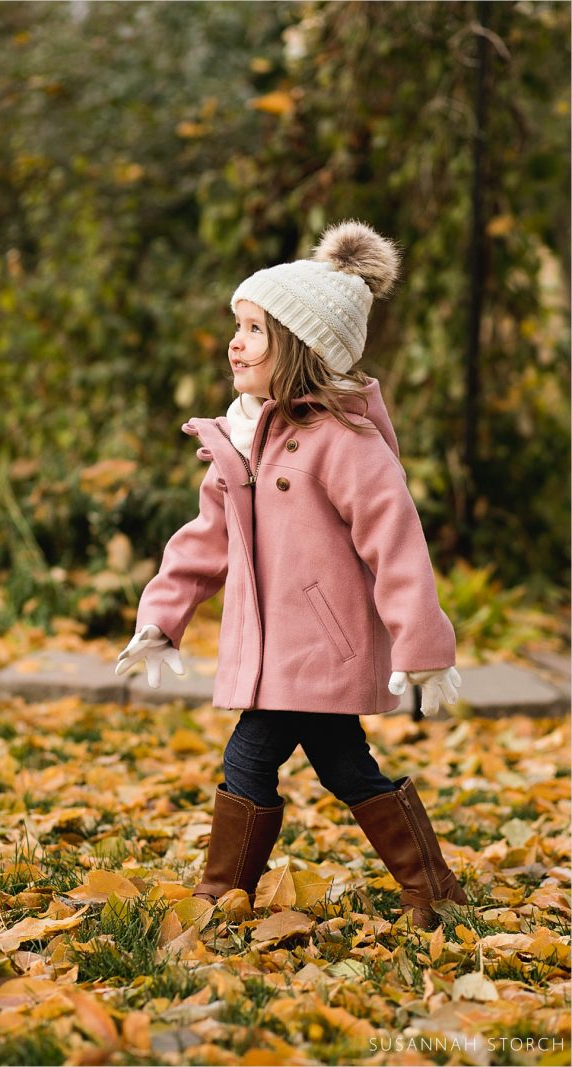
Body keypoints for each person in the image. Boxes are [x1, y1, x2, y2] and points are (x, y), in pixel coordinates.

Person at [115, 220, 468, 930]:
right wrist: (162, 617)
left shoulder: (346, 444)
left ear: (301, 348)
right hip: (272, 652)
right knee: (344, 767)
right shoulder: (241, 439)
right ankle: (431, 885)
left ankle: (222, 896)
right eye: (236, 326)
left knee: (252, 755)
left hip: (320, 648)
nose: (234, 343)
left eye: (253, 330)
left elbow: (395, 544)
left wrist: (423, 647)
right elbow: (204, 540)